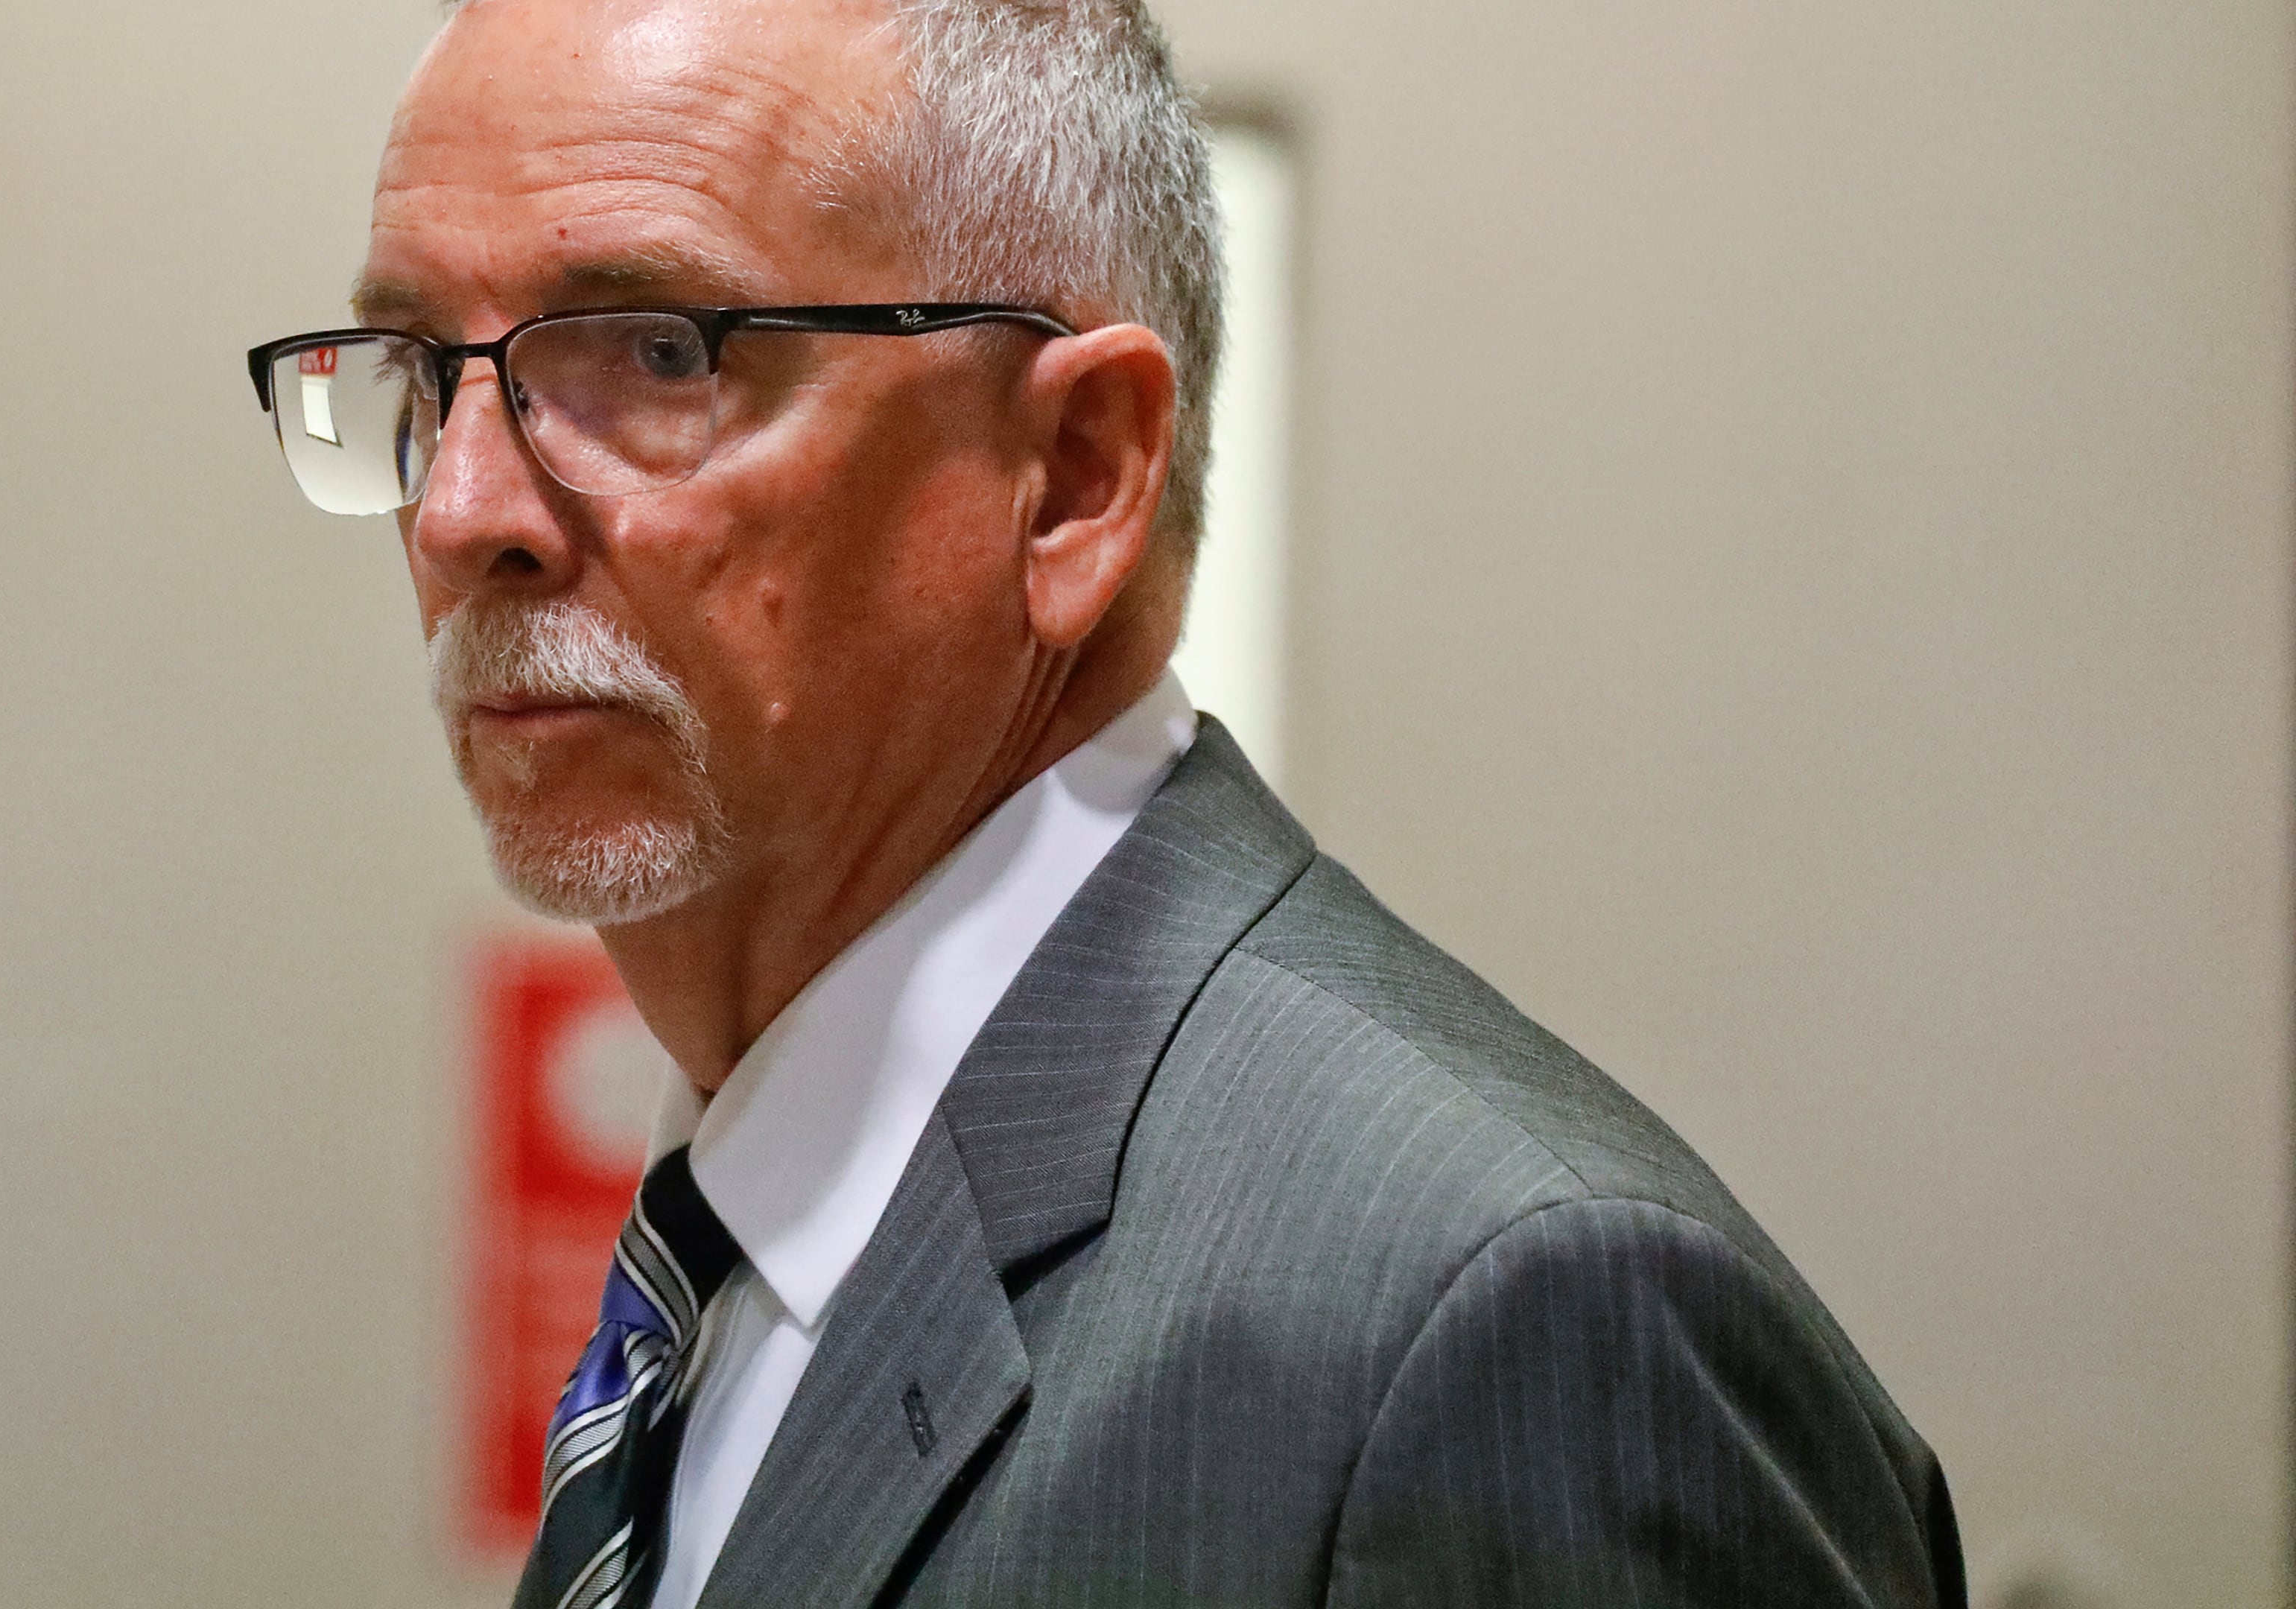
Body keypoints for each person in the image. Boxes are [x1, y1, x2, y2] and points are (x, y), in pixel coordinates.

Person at [245, 0, 1967, 1602]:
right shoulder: (736, 1237)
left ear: (1074, 479)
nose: (461, 511)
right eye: (418, 367)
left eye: (658, 353)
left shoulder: (1508, 1323)